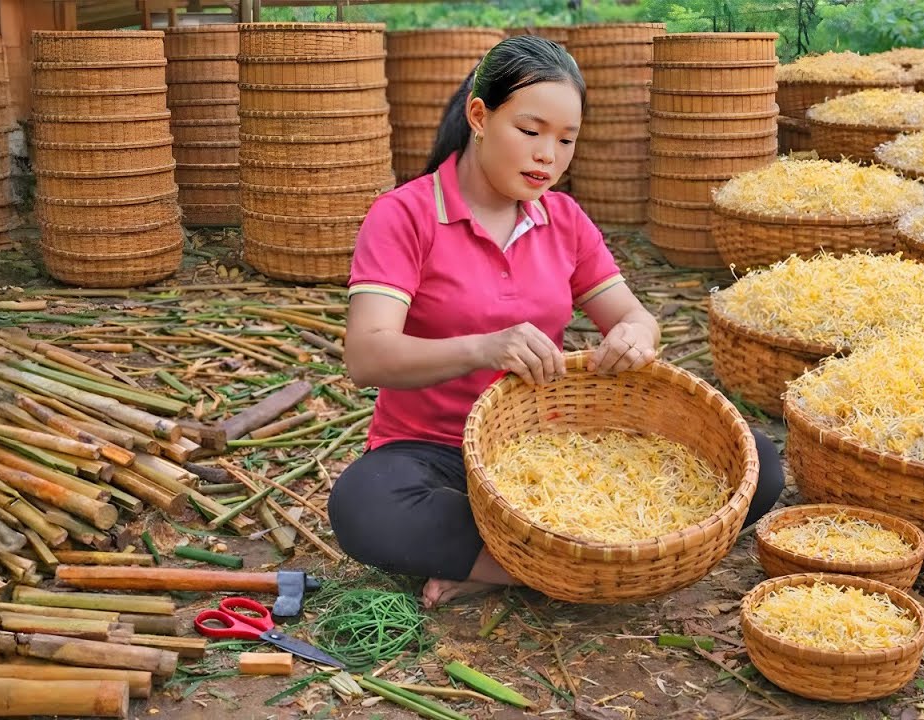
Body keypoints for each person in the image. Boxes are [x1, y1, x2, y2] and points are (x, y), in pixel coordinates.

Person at [328, 35, 785, 610]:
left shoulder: (563, 219)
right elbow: (366, 356)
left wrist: (635, 338)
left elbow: (632, 316)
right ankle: (573, 566)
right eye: (531, 131)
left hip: (549, 445)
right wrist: (482, 348)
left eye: (566, 139)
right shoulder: (406, 215)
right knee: (365, 505)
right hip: (435, 453)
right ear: (479, 115)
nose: (549, 154)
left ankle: (512, 562)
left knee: (759, 467)